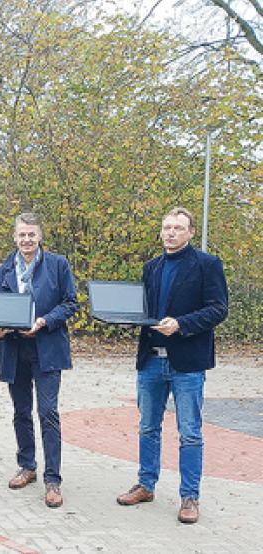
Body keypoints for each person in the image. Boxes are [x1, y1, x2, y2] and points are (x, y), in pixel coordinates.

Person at [115, 207, 228, 524]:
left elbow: (218, 309)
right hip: (151, 360)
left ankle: (189, 496)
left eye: (178, 228)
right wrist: (123, 316)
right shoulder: (151, 267)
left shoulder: (207, 265)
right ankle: (146, 484)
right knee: (147, 427)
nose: (171, 233)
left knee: (190, 432)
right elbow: (143, 310)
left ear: (191, 232)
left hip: (187, 364)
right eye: (166, 227)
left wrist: (181, 324)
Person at [0, 212, 78, 508]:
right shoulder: (2, 270)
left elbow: (70, 303)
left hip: (47, 348)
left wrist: (44, 321)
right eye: (21, 235)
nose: (26, 240)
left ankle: (53, 479)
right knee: (21, 411)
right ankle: (27, 465)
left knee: (48, 412)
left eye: (31, 235)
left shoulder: (57, 265)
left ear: (40, 236)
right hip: (14, 350)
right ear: (14, 238)